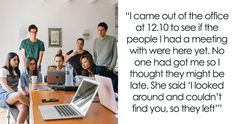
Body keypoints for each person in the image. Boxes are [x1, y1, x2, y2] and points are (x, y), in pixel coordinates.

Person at [0, 52, 29, 124]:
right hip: (4, 95)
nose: (17, 61)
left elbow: (18, 86)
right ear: (9, 60)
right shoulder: (3, 70)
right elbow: (4, 85)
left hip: (14, 95)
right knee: (19, 95)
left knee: (24, 107)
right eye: (14, 59)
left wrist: (23, 93)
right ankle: (35, 108)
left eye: (17, 59)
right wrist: (16, 94)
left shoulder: (17, 71)